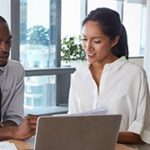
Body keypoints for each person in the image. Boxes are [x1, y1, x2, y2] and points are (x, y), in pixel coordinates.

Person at [68, 8, 150, 150]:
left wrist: (99, 133)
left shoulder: (135, 75)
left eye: (97, 41)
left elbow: (141, 133)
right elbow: (73, 123)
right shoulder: (78, 76)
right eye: (84, 39)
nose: (88, 47)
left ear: (114, 41)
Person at [0, 16, 37, 141]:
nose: (5, 49)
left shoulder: (15, 71)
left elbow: (14, 117)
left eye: (8, 42)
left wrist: (17, 129)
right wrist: (12, 132)